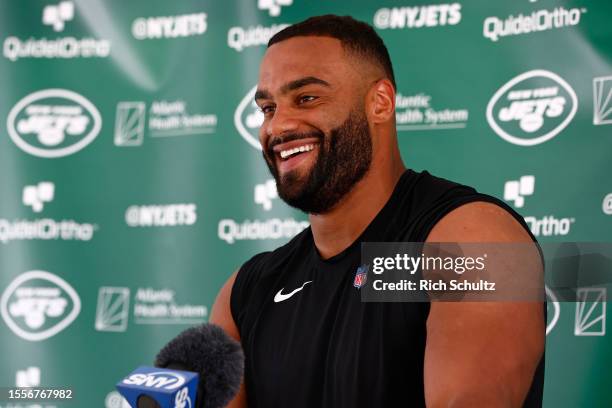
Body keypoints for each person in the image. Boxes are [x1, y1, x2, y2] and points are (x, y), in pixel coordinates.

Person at [211, 15, 545, 407]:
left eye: (307, 98)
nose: (279, 126)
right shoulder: (248, 290)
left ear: (380, 102)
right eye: (268, 108)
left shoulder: (474, 246)